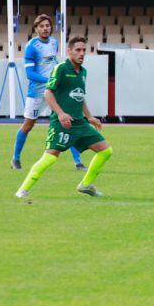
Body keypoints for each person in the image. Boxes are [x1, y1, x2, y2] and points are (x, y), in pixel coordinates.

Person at [15, 36, 112, 200]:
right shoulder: (60, 69)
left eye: (84, 50)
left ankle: (85, 185)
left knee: (105, 151)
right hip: (62, 124)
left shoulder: (83, 72)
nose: (82, 53)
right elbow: (48, 92)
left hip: (80, 123)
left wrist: (89, 117)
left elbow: (80, 97)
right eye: (78, 50)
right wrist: (60, 113)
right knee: (50, 158)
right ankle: (22, 190)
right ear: (69, 51)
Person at [12, 14, 84, 171]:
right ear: (36, 28)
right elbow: (30, 74)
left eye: (47, 25)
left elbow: (53, 63)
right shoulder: (31, 46)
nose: (45, 28)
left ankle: (78, 162)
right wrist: (51, 80)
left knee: (67, 121)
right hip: (37, 93)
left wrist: (60, 77)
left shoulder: (54, 42)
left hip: (53, 92)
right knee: (28, 126)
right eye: (42, 26)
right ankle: (15, 159)